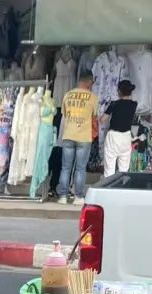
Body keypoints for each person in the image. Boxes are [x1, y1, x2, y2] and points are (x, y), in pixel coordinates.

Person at [57, 70, 97, 204]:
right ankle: (78, 196)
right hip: (84, 137)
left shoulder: (67, 95)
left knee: (66, 167)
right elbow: (94, 117)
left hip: (68, 135)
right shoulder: (92, 97)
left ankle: (63, 196)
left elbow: (64, 115)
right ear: (89, 81)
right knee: (80, 168)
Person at [101, 79, 137, 178]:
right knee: (124, 169)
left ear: (119, 92)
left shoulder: (114, 104)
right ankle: (122, 188)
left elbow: (103, 119)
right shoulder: (134, 105)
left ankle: (108, 189)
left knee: (109, 169)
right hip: (126, 136)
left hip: (113, 136)